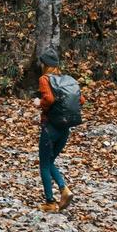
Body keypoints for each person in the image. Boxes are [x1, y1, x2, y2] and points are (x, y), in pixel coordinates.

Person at [33, 50, 79, 213]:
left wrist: (39, 103)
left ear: (45, 65)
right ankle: (64, 190)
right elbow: (81, 100)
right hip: (65, 129)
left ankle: (50, 202)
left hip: (50, 128)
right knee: (50, 161)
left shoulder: (44, 79)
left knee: (44, 165)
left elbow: (49, 100)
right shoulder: (68, 80)